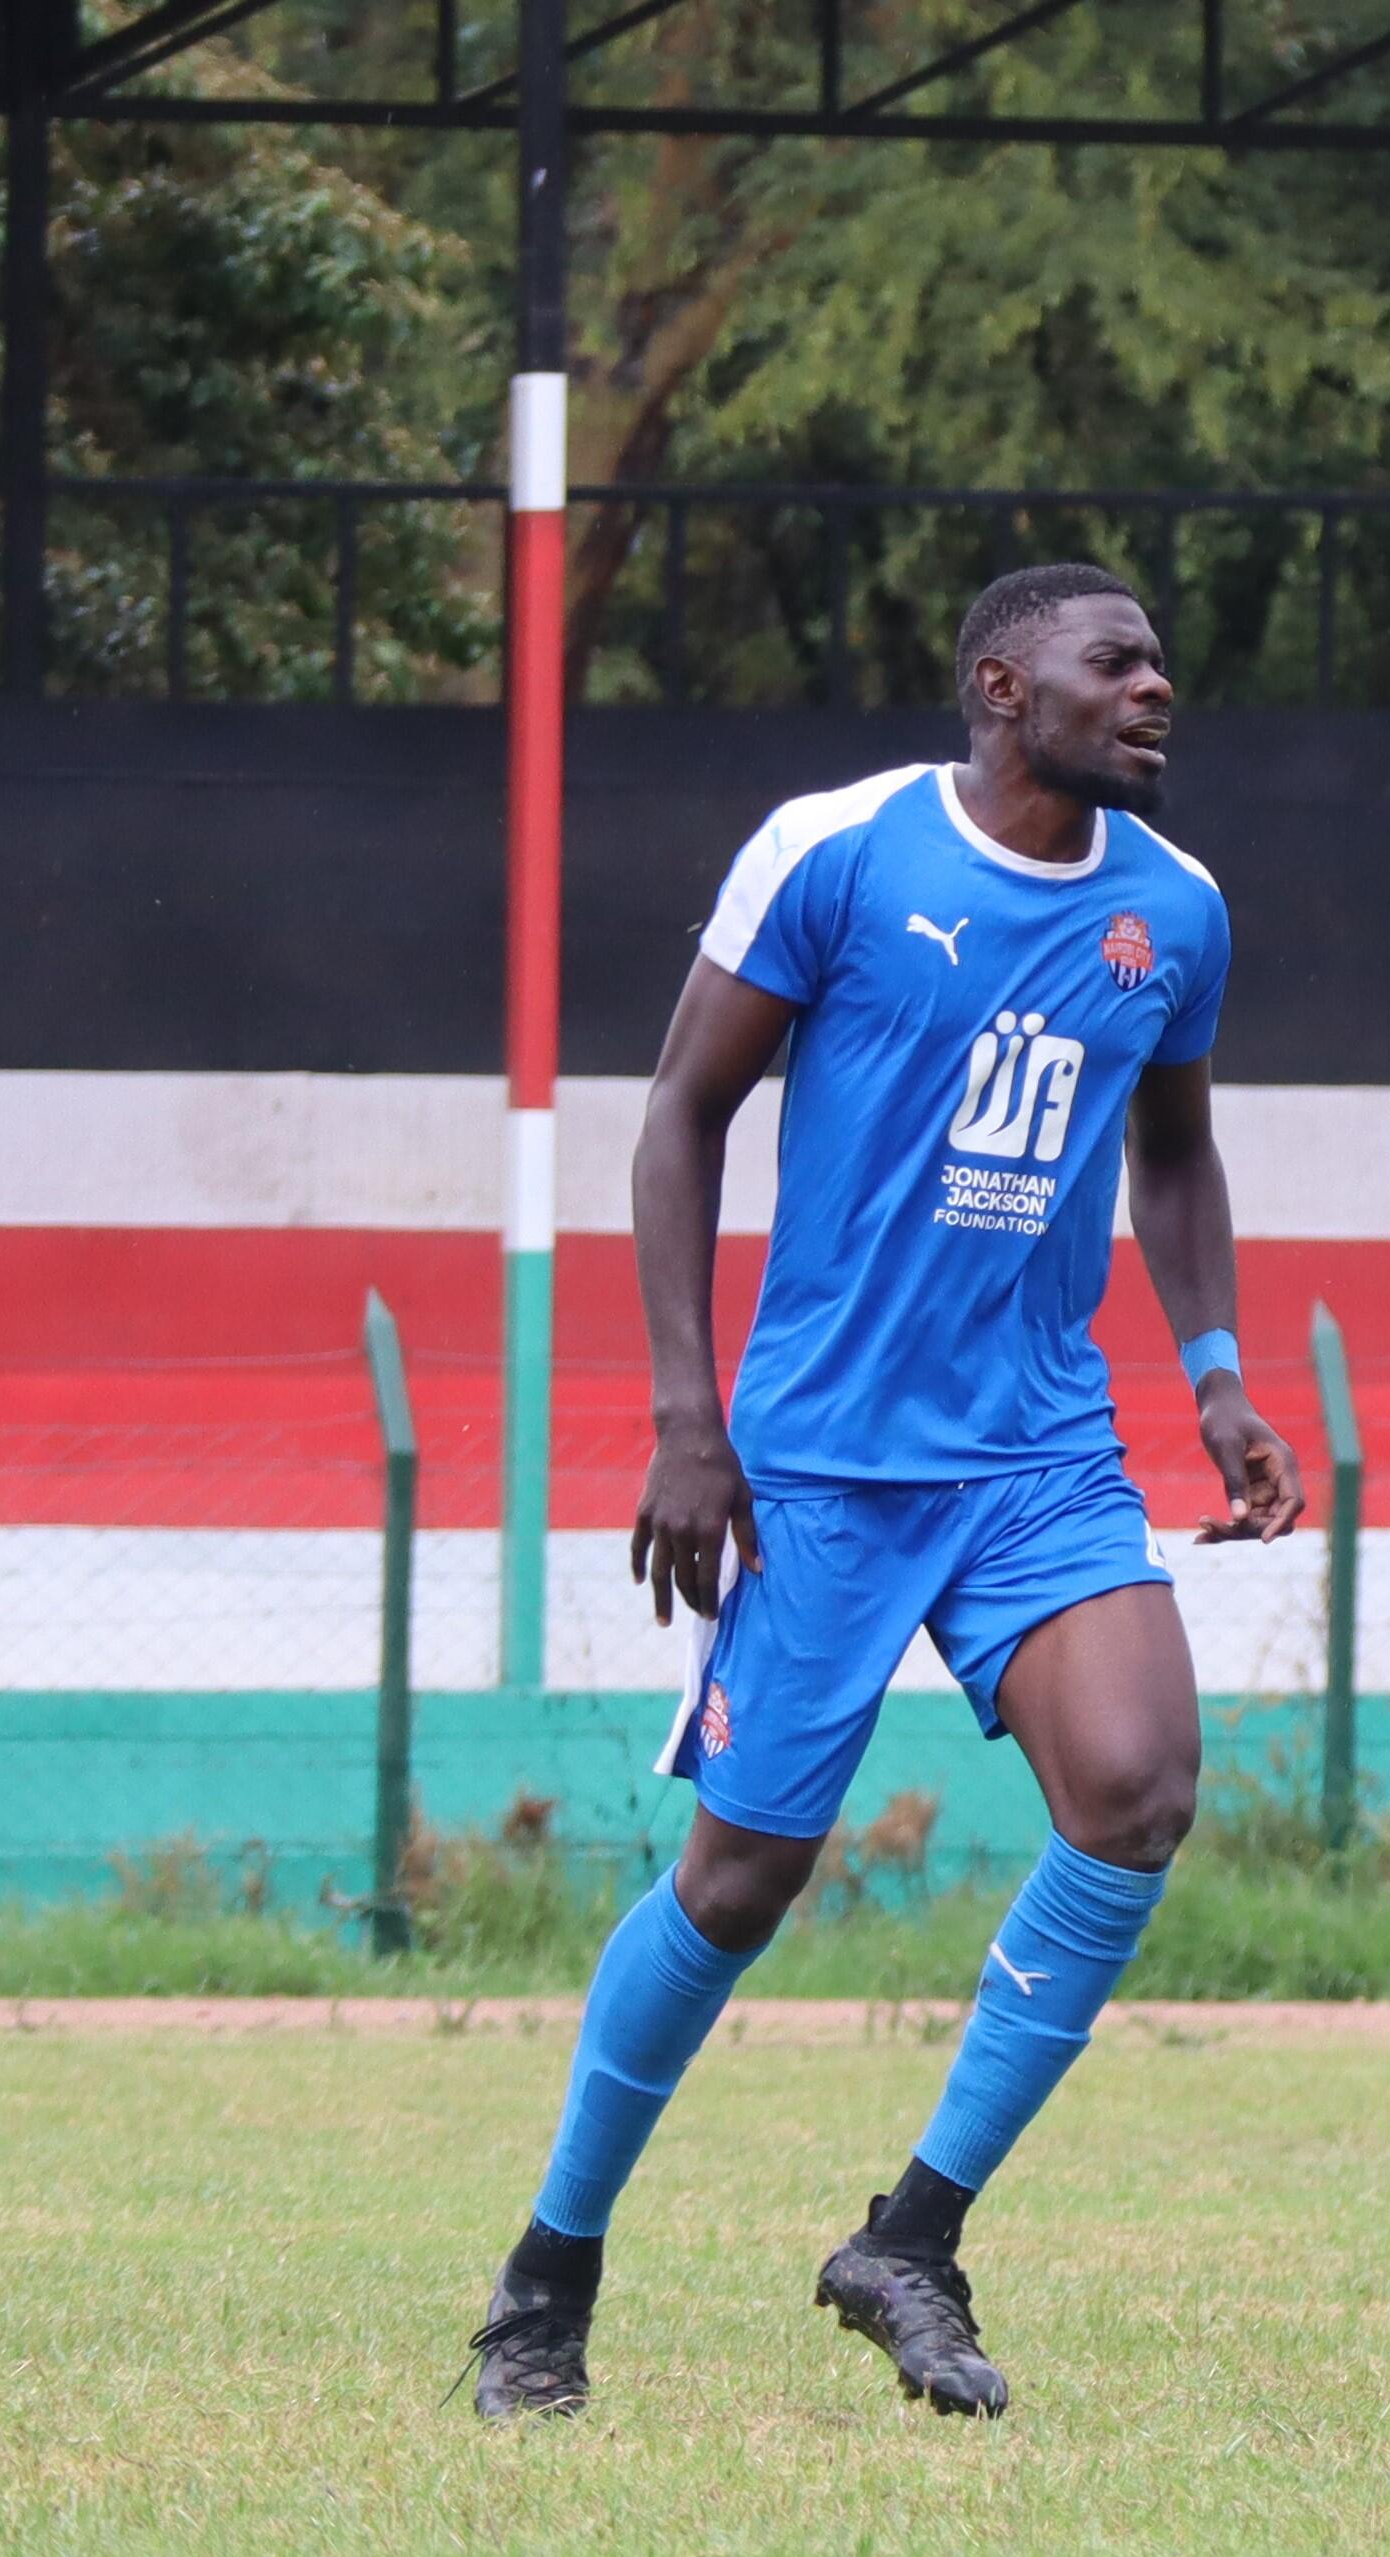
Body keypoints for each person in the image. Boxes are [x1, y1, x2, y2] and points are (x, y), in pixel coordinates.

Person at [467, 563, 1303, 2422]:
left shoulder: (1176, 913)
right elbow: (680, 1110)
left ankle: (909, 2235)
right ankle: (549, 2271)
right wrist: (693, 1417)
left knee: (1142, 1783)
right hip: (826, 1460)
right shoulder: (835, 852)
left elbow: (1175, 1153)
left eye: (1164, 657)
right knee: (744, 1876)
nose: (1159, 686)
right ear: (1006, 686)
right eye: (1118, 661)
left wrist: (1220, 1374)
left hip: (1037, 1449)